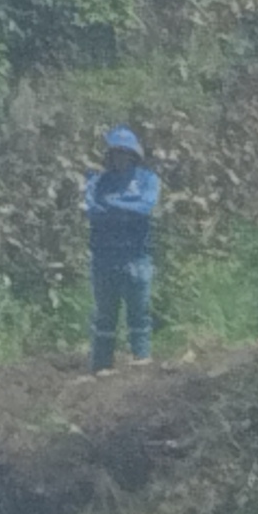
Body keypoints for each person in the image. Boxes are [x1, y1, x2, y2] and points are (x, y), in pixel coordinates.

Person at [85, 126, 161, 373]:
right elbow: (93, 209)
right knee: (105, 316)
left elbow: (145, 207)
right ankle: (101, 366)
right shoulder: (99, 181)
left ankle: (141, 361)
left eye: (125, 153)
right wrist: (126, 208)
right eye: (116, 153)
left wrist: (113, 205)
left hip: (137, 256)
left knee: (139, 312)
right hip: (104, 257)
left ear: (133, 155)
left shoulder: (147, 180)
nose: (120, 158)